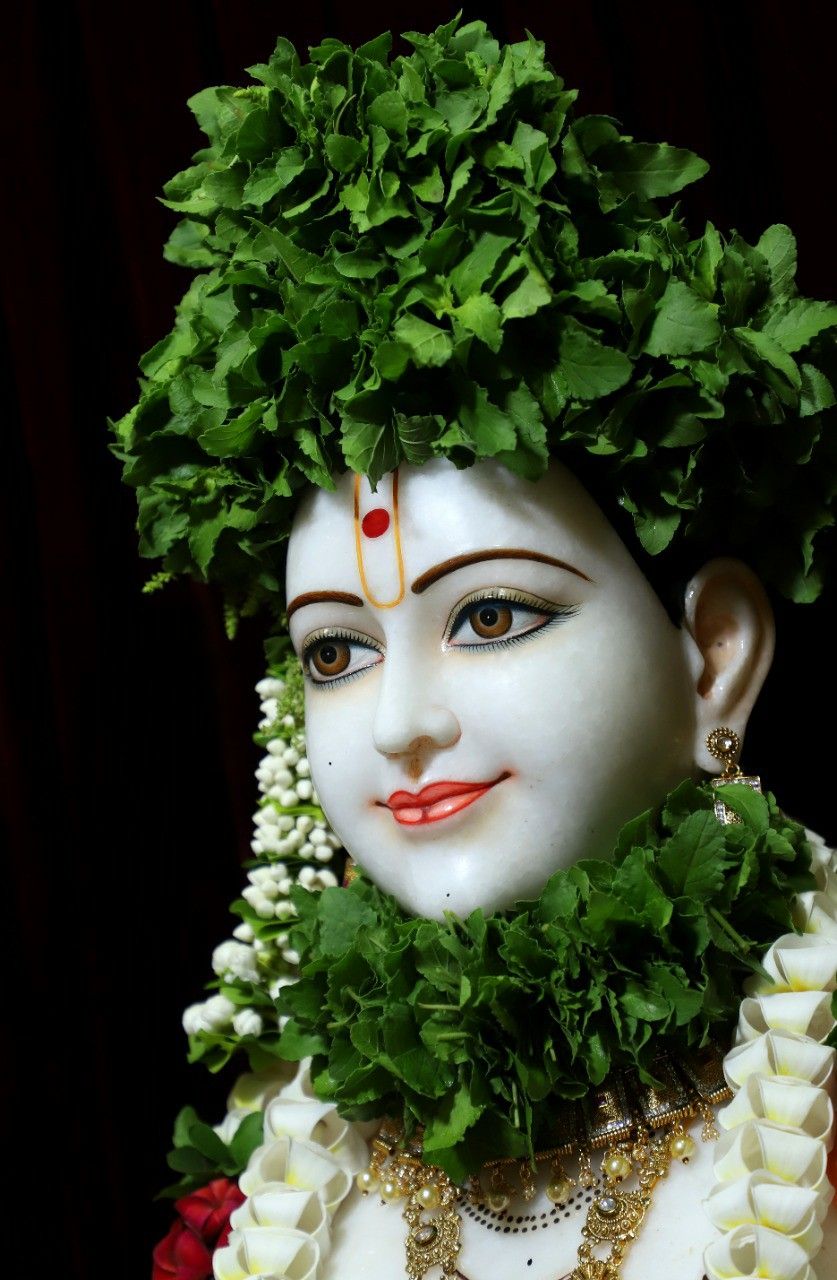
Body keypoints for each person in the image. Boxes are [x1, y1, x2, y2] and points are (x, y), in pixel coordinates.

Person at [113, 18, 837, 1280]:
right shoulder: (281, 1174)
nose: (397, 721)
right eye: (334, 651)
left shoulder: (807, 1106)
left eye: (489, 615)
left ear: (713, 654)